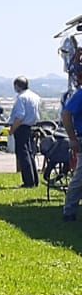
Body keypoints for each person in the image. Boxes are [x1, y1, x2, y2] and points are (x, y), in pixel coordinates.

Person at [8, 76, 41, 189]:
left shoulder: (21, 98)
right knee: (30, 153)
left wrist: (12, 129)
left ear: (17, 86)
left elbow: (20, 116)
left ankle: (28, 181)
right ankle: (34, 179)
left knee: (23, 154)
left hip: (21, 127)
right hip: (31, 126)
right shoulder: (35, 96)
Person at [61, 83, 82, 221]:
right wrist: (73, 139)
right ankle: (69, 211)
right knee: (80, 177)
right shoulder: (80, 94)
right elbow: (66, 114)